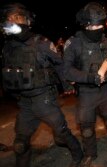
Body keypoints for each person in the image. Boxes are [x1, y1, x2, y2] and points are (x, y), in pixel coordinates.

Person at [0, 3, 83, 167]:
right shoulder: (8, 47)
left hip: (44, 99)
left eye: (17, 18)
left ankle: (77, 154)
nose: (13, 22)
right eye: (9, 19)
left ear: (28, 21)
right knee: (20, 143)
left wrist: (67, 85)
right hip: (24, 102)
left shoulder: (41, 43)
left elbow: (60, 64)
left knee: (61, 132)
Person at [63, 2, 107, 166]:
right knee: (86, 128)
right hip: (86, 93)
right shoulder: (74, 43)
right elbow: (67, 70)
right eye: (93, 26)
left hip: (106, 91)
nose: (97, 30)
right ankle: (90, 153)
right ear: (85, 25)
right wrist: (89, 78)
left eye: (99, 26)